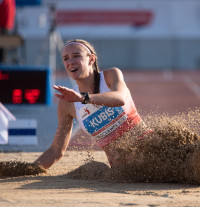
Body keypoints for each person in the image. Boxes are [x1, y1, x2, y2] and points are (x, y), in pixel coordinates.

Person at [34, 39, 150, 169]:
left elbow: (120, 98)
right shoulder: (67, 103)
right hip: (123, 172)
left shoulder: (110, 76)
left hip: (151, 152)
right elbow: (56, 150)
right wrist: (26, 170)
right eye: (66, 58)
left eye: (77, 56)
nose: (71, 62)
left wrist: (84, 98)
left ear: (91, 59)